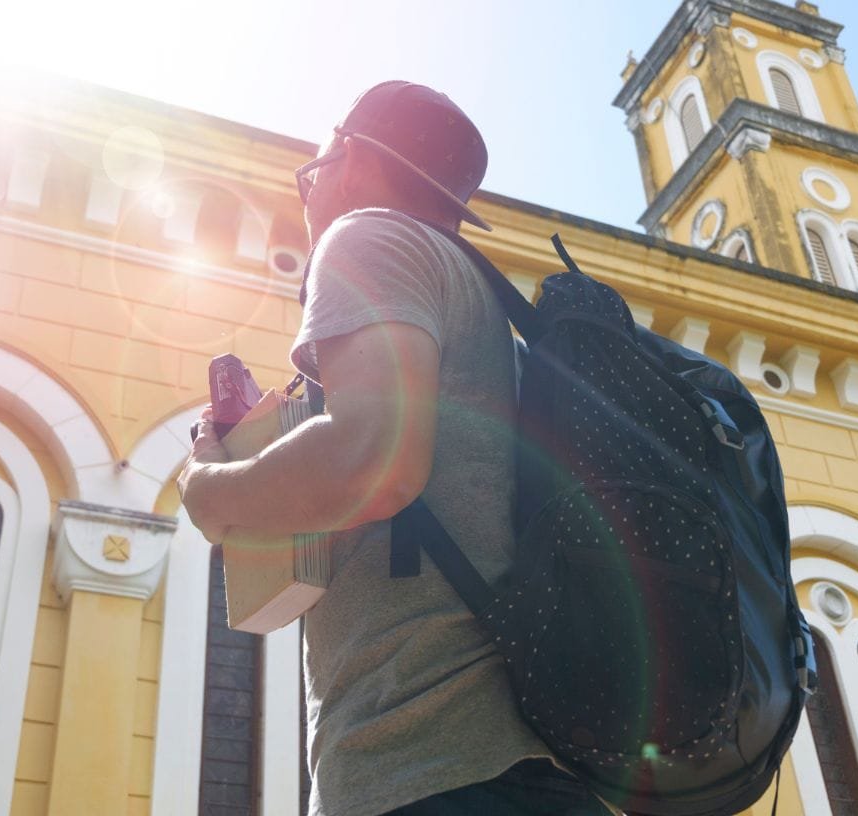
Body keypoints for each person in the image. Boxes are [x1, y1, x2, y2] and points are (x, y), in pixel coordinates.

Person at [177, 81, 611, 816]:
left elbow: (374, 462)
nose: (310, 197)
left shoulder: (367, 236)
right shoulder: (484, 312)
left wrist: (211, 489)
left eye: (311, 174)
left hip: (424, 759)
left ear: (348, 158)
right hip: (541, 764)